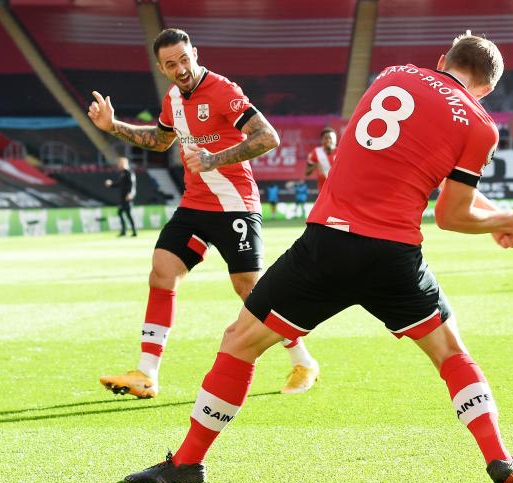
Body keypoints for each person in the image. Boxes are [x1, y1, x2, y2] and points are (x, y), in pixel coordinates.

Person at [123, 32, 513, 483]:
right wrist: (512, 219)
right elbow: (452, 214)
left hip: (328, 246)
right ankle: (501, 461)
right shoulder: (480, 124)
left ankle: (187, 463)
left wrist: (498, 219)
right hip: (394, 258)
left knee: (239, 343)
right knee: (451, 354)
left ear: (441, 60)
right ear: (486, 89)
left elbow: (412, 158)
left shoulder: (394, 75)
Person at [87, 28, 319, 398]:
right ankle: (147, 374)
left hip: (234, 204)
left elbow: (267, 137)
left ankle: (303, 361)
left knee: (250, 290)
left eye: (184, 59)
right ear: (162, 68)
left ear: (195, 52)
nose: (180, 68)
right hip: (194, 205)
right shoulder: (173, 100)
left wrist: (214, 159)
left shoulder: (224, 91)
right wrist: (113, 126)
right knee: (162, 272)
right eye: (170, 64)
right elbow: (161, 140)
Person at [105, 156, 137, 237]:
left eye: (120, 163)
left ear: (124, 163)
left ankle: (131, 231)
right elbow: (120, 184)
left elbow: (132, 185)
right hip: (123, 197)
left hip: (127, 197)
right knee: (123, 213)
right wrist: (111, 184)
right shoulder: (123, 173)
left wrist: (131, 194)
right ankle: (127, 231)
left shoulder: (129, 172)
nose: (118, 165)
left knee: (126, 214)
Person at [305, 127, 337, 192]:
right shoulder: (316, 152)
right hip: (323, 190)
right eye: (326, 138)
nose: (328, 140)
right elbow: (307, 172)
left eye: (330, 138)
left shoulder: (340, 152)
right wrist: (316, 165)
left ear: (335, 140)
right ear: (322, 140)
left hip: (338, 188)